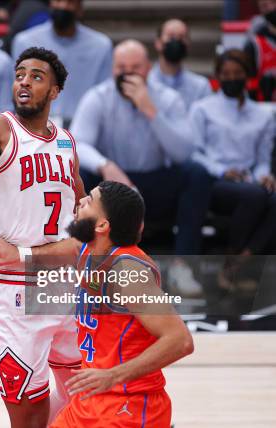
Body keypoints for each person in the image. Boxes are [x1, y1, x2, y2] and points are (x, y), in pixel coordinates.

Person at [0, 46, 84, 427]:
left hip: (64, 285)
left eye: (36, 76)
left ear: (55, 91)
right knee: (30, 416)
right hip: (14, 290)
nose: (24, 81)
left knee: (86, 399)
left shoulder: (66, 141)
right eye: (20, 74)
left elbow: (82, 208)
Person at [72, 39, 213, 296]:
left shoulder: (168, 98)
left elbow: (183, 153)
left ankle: (183, 266)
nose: (127, 73)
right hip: (113, 185)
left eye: (135, 66)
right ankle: (91, 265)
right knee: (82, 172)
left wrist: (150, 110)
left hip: (155, 183)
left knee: (197, 175)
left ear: (148, 68)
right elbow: (78, 143)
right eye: (121, 67)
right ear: (112, 69)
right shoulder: (97, 97)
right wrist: (106, 165)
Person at [50, 181, 194, 427]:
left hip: (129, 403)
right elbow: (69, 248)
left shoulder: (127, 271)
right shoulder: (89, 249)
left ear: (102, 225)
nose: (81, 201)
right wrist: (16, 254)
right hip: (90, 399)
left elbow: (180, 341)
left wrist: (112, 375)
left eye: (90, 201)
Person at [190, 49, 276, 256]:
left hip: (248, 179)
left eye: (237, 73)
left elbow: (262, 158)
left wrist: (264, 176)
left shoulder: (263, 114)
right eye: (226, 73)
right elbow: (193, 153)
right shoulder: (202, 109)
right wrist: (221, 171)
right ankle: (232, 256)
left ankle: (240, 260)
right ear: (218, 76)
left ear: (247, 75)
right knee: (254, 196)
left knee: (271, 197)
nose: (232, 78)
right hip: (214, 180)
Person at [11, 0, 112, 126]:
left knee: (68, 143)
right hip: (34, 124)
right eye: (58, 1)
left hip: (82, 126)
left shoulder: (101, 46)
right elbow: (17, 89)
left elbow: (104, 94)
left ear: (80, 9)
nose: (63, 6)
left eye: (70, 2)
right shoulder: (25, 41)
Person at [149, 19, 212, 110]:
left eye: (181, 37)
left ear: (188, 44)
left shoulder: (201, 87)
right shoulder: (146, 84)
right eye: (171, 37)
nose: (176, 41)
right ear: (158, 43)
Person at [244, 0, 276, 101]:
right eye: (264, 6)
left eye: (274, 2)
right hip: (266, 108)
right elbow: (249, 85)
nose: (271, 8)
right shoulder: (254, 44)